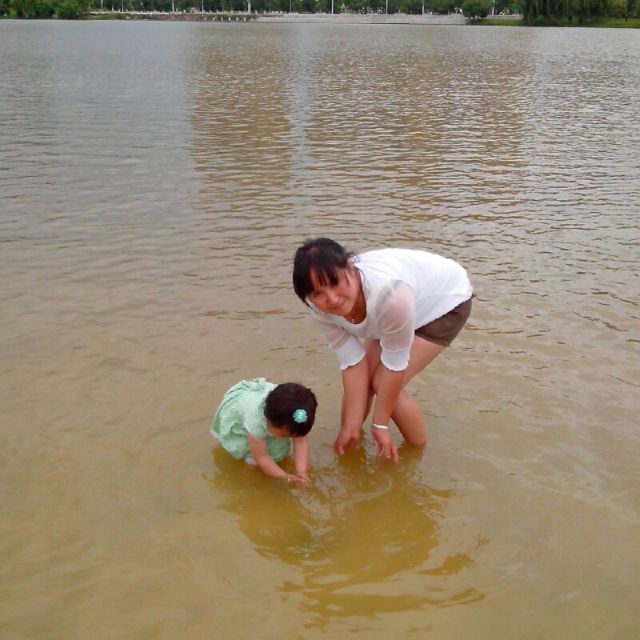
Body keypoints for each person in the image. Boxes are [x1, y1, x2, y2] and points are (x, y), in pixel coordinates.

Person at [292, 238, 473, 462]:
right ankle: (350, 443)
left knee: (381, 382)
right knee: (367, 378)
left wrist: (380, 424)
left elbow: (395, 366)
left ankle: (416, 455)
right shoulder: (318, 309)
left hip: (445, 302)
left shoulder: (389, 297)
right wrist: (350, 427)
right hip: (400, 308)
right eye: (318, 294)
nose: (332, 299)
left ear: (350, 267)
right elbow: (353, 364)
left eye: (335, 282)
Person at [210, 378, 317, 485]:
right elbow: (261, 457)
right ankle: (248, 474)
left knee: (277, 446)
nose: (290, 438)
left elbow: (301, 442)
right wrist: (285, 477)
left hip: (275, 411)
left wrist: (302, 473)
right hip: (242, 408)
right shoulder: (255, 422)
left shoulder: (295, 419)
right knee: (253, 458)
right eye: (286, 435)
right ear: (269, 422)